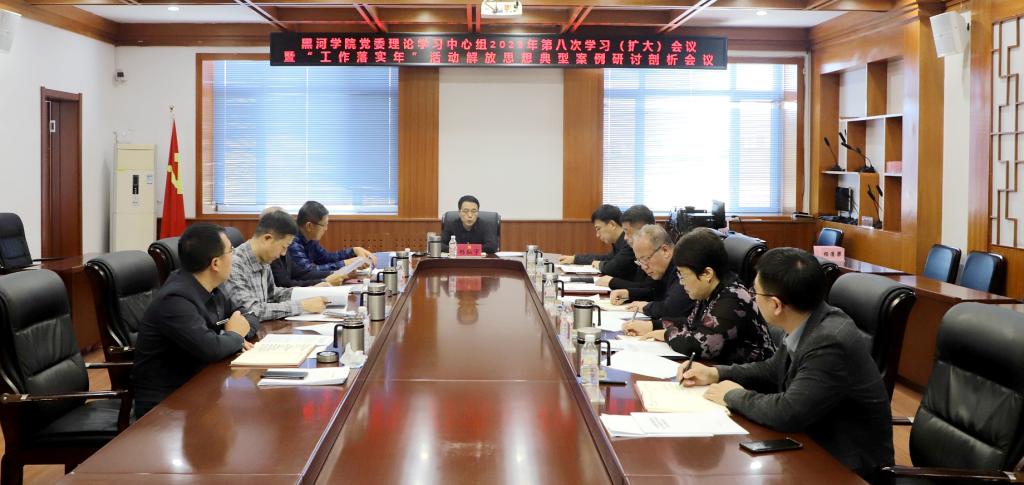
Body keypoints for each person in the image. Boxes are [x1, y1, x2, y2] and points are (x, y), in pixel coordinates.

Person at [679, 247, 894, 479]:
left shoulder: (829, 341)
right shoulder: (807, 320)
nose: (752, 297)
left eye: (755, 292)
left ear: (776, 305)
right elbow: (772, 370)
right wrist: (716, 373)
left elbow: (788, 412)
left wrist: (733, 395)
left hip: (845, 467)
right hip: (810, 440)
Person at [132, 223, 258, 418]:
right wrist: (235, 335)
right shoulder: (175, 300)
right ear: (215, 263)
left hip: (201, 388)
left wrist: (234, 334)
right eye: (231, 251)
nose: (234, 256)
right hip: (166, 406)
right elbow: (211, 348)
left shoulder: (213, 286)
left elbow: (250, 315)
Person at [626, 228, 774, 364]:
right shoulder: (711, 290)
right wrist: (652, 325)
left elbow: (701, 345)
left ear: (707, 274)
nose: (682, 282)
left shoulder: (733, 298)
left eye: (683, 275)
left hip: (750, 379)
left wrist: (666, 334)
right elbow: (692, 323)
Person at [223, 210, 328, 322]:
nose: (283, 253)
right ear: (267, 238)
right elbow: (251, 311)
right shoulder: (234, 264)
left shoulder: (264, 259)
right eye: (283, 247)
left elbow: (273, 295)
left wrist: (310, 292)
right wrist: (301, 306)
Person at [610, 224, 694, 321]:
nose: (644, 267)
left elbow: (672, 309)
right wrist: (628, 294)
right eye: (640, 261)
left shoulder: (682, 266)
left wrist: (646, 307)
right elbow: (653, 291)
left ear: (665, 250)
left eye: (645, 259)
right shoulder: (663, 269)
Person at [261, 207, 349, 288]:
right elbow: (285, 285)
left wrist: (334, 274)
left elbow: (302, 274)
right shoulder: (272, 254)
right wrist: (324, 281)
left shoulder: (283, 247)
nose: (284, 252)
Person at [289, 200, 377, 274]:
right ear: (309, 226)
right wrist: (347, 263)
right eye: (323, 225)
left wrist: (353, 251)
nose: (326, 229)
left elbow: (326, 258)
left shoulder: (310, 239)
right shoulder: (292, 241)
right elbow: (308, 271)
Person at [558, 204, 639, 282]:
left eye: (598, 229)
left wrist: (599, 264)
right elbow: (607, 258)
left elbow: (613, 268)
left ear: (612, 224)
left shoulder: (629, 242)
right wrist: (576, 259)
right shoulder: (619, 241)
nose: (597, 235)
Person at [596, 204, 657, 290]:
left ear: (644, 231)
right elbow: (640, 284)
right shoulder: (637, 249)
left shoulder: (655, 252)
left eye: (627, 232)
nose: (625, 238)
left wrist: (613, 282)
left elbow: (650, 289)